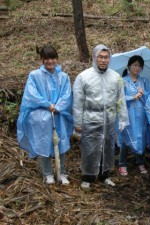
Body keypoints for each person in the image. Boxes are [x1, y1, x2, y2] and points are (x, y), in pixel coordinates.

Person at [73, 44, 129, 189]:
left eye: (106, 57)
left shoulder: (116, 77)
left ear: (110, 59)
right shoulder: (84, 77)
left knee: (108, 147)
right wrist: (78, 122)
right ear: (95, 57)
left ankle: (105, 174)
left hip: (109, 119)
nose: (103, 60)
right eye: (100, 57)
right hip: (91, 117)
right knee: (90, 148)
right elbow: (78, 101)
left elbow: (120, 99)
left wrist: (123, 119)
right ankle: (88, 176)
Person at [17, 45, 73, 185]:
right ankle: (47, 173)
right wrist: (47, 105)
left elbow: (67, 94)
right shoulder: (34, 75)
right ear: (42, 59)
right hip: (41, 116)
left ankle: (62, 173)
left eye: (53, 58)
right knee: (43, 143)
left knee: (61, 143)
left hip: (59, 115)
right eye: (47, 58)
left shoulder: (63, 76)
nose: (50, 61)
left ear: (57, 59)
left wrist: (58, 106)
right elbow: (31, 94)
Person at [118, 55, 150, 176]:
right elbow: (118, 98)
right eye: (135, 65)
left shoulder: (144, 81)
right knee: (126, 136)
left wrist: (144, 94)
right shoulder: (122, 81)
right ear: (129, 66)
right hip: (127, 114)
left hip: (141, 115)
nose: (137, 68)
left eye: (140, 66)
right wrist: (132, 97)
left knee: (141, 137)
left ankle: (140, 162)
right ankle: (122, 164)